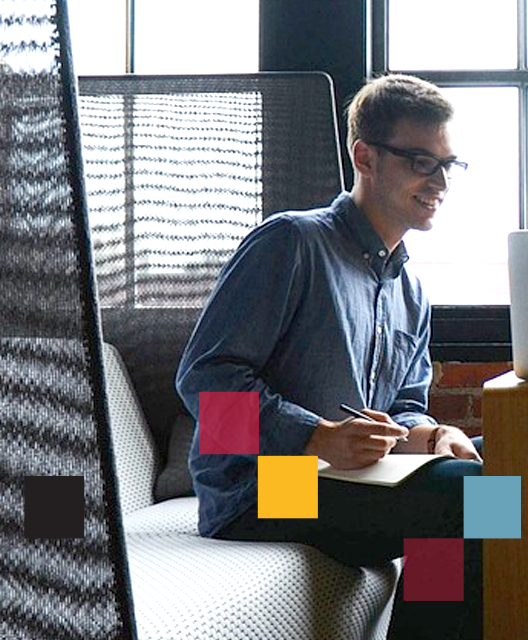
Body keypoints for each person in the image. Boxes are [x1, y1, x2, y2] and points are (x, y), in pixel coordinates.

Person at [175, 73, 484, 640]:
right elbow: (201, 383)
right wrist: (315, 437)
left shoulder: (410, 290)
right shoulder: (290, 243)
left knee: (511, 467)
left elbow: (404, 409)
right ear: (365, 157)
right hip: (259, 489)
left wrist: (431, 435)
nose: (440, 181)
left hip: (351, 481)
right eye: (421, 161)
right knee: (471, 498)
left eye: (449, 164)